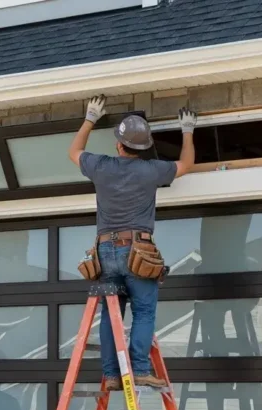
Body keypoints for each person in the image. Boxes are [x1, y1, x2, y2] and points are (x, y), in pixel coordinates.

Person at [67, 95, 198, 390]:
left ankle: (112, 375)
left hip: (103, 251)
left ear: (118, 144)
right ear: (143, 148)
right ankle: (139, 370)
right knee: (144, 311)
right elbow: (187, 164)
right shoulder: (151, 170)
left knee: (110, 314)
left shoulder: (100, 166)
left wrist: (90, 118)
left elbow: (74, 151)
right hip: (137, 250)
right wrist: (187, 129)